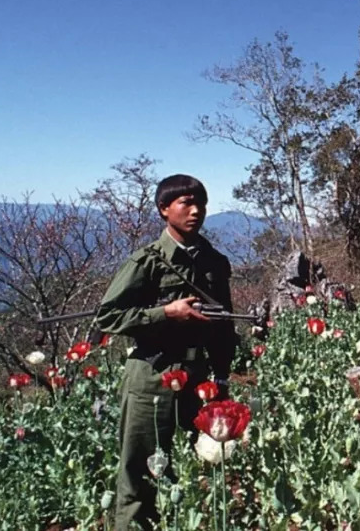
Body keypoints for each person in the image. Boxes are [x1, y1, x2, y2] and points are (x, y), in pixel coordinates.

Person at [96, 174, 238, 531]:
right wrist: (165, 313)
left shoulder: (215, 262)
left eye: (200, 204)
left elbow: (224, 327)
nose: (195, 211)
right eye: (185, 203)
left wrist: (220, 377)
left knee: (193, 468)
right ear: (164, 210)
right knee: (140, 472)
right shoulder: (147, 262)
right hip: (151, 380)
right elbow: (108, 316)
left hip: (198, 380)